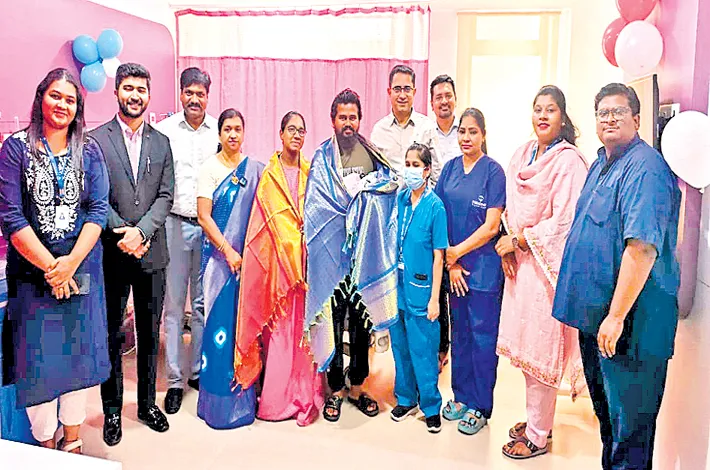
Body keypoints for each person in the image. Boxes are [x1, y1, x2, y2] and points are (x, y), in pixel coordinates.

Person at [552, 83, 681, 470]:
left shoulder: (646, 169)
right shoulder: (601, 163)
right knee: (610, 427)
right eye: (602, 113)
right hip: (599, 324)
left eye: (618, 112)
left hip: (631, 331)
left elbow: (641, 248)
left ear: (637, 120)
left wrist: (616, 316)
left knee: (630, 437)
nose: (609, 119)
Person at [0, 68, 110, 453]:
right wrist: (53, 267)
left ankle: (73, 441)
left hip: (82, 273)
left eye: (70, 99)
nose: (62, 104)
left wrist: (70, 265)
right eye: (55, 96)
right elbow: (11, 216)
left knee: (79, 364)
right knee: (39, 367)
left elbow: (98, 210)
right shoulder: (16, 148)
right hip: (33, 280)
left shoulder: (89, 150)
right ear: (40, 98)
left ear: (78, 107)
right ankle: (46, 446)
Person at [494, 85, 589, 459]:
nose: (543, 115)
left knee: (541, 352)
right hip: (521, 268)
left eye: (551, 109)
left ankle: (538, 435)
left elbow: (565, 221)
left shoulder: (569, 163)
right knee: (525, 352)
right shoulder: (522, 154)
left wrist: (519, 240)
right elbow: (511, 208)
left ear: (563, 117)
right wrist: (508, 242)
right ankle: (538, 421)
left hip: (547, 271)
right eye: (538, 109)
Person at [90, 63, 175, 446]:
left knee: (150, 333)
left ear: (149, 95)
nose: (135, 95)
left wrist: (142, 231)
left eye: (141, 89)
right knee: (111, 334)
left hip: (152, 252)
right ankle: (111, 410)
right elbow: (94, 195)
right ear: (116, 92)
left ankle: (146, 404)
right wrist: (122, 231)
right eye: (128, 88)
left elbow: (165, 195)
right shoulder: (96, 140)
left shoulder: (162, 142)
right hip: (111, 254)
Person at [304, 89, 399, 422]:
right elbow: (315, 207)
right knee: (331, 321)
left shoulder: (371, 155)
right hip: (332, 260)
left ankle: (358, 386)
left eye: (353, 117)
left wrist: (367, 197)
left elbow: (389, 186)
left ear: (360, 119)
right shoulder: (322, 158)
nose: (348, 123)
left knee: (360, 322)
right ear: (333, 120)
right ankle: (335, 390)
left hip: (364, 257)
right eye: (342, 117)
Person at [233, 111, 323, 426]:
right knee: (282, 334)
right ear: (281, 134)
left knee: (305, 334)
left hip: (307, 269)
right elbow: (260, 226)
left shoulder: (312, 173)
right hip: (279, 273)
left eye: (302, 130)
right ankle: (277, 399)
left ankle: (305, 394)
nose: (297, 135)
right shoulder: (269, 177)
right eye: (291, 129)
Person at [435, 108, 506, 436]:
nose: (466, 137)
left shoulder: (493, 172)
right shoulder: (449, 169)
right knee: (460, 336)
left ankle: (480, 405)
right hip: (455, 272)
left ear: (483, 135)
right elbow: (438, 217)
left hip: (483, 273)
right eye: (462, 131)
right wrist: (451, 264)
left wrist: (457, 253)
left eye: (473, 132)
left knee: (482, 339)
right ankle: (461, 397)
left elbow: (492, 226)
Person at [155, 67, 218, 414]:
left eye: (200, 94)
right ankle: (175, 380)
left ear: (208, 96)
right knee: (175, 306)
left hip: (209, 229)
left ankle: (197, 371)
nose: (195, 99)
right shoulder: (165, 132)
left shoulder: (218, 133)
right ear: (181, 94)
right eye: (189, 93)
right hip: (175, 225)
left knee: (202, 304)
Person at [196, 108, 264, 429]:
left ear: (244, 132)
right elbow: (204, 217)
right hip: (219, 264)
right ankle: (217, 406)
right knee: (217, 329)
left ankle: (244, 400)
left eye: (238, 129)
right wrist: (228, 251)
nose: (233, 134)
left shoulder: (255, 170)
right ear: (220, 134)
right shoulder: (209, 168)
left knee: (245, 330)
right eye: (227, 129)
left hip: (248, 266)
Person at [389, 143, 448, 433]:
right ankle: (405, 398)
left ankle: (431, 406)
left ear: (427, 170)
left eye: (416, 165)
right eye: (407, 164)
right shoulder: (399, 200)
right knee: (400, 346)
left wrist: (435, 299)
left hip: (422, 288)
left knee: (423, 350)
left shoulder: (435, 207)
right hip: (396, 286)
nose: (410, 170)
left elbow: (439, 257)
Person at [429, 74, 459, 371]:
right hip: (434, 218)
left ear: (455, 98)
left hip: (461, 219)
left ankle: (458, 349)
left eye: (448, 95)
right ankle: (439, 348)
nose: (444, 101)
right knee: (437, 286)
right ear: (431, 102)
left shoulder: (467, 130)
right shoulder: (426, 134)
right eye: (438, 97)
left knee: (458, 287)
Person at [371, 64, 442, 182]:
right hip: (389, 193)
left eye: (407, 89)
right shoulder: (379, 131)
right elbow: (373, 174)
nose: (402, 95)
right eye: (397, 89)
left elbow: (437, 174)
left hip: (420, 193)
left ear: (414, 92)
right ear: (389, 92)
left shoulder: (427, 127)